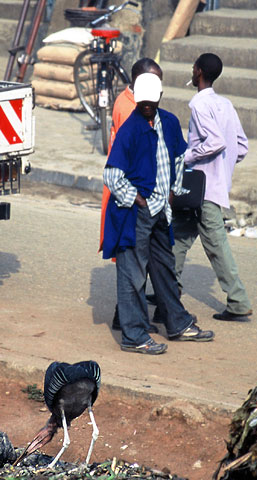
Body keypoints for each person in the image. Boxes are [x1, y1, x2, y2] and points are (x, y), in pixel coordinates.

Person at [103, 73, 215, 354]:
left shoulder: (169, 122)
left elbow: (179, 156)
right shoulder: (130, 130)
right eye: (143, 104)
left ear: (160, 99)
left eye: (152, 103)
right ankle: (134, 335)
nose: (147, 108)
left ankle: (177, 323)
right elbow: (112, 176)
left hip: (161, 210)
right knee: (133, 275)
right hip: (134, 214)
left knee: (164, 268)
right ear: (137, 100)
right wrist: (137, 199)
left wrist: (174, 190)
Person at [172, 53, 252, 322]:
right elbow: (241, 146)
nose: (192, 71)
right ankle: (168, 290)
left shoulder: (198, 104)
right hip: (211, 186)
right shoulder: (226, 104)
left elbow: (215, 141)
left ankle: (238, 301)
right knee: (179, 236)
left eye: (194, 67)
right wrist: (224, 166)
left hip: (202, 187)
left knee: (216, 245)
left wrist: (189, 156)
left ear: (198, 72)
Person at [99, 58, 163, 333]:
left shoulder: (132, 104)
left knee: (135, 259)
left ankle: (130, 317)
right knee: (131, 260)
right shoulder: (130, 110)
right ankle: (126, 320)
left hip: (133, 194)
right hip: (128, 197)